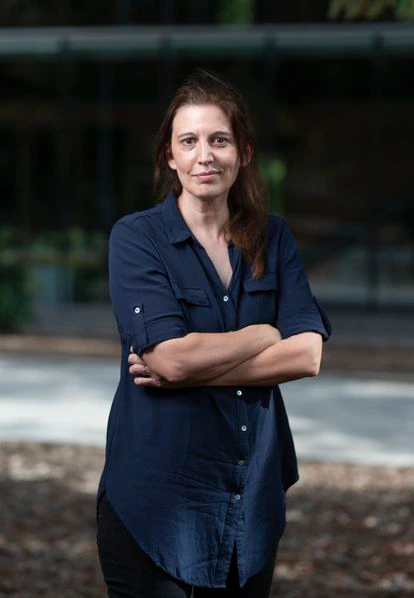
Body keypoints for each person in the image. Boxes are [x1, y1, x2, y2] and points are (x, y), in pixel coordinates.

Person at [96, 70, 332, 598]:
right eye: (189, 141)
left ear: (244, 152)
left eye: (219, 139)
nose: (205, 155)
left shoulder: (274, 237)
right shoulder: (137, 238)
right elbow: (172, 360)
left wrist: (189, 370)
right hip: (155, 506)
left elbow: (308, 354)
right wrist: (266, 332)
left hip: (249, 505)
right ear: (170, 158)